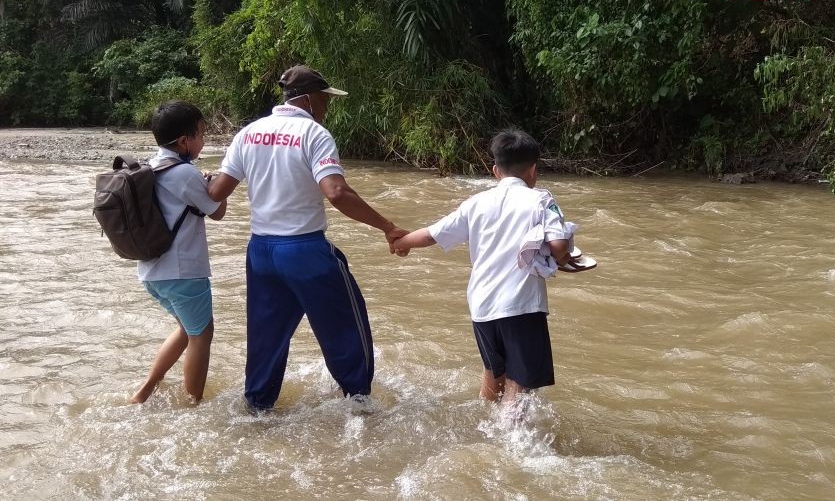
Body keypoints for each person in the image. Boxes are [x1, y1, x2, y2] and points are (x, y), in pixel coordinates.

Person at [207, 64, 408, 411]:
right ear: (311, 99)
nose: (327, 107)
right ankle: (360, 403)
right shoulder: (313, 134)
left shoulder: (248, 133)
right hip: (304, 249)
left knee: (265, 337)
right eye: (325, 100)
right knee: (346, 325)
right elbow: (337, 192)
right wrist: (387, 227)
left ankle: (257, 408)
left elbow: (217, 192)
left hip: (261, 252)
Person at [391, 130, 574, 405]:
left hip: (482, 307)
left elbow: (432, 234)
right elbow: (559, 246)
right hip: (521, 306)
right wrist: (564, 259)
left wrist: (401, 243)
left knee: (493, 372)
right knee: (519, 383)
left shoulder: (475, 203)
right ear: (534, 170)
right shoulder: (542, 200)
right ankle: (507, 442)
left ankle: (483, 422)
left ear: (495, 171)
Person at [131, 101, 228, 404]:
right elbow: (217, 211)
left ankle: (144, 392)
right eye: (201, 134)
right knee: (202, 335)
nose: (204, 140)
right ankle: (193, 404)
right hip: (183, 272)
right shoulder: (185, 173)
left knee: (188, 330)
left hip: (152, 272)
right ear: (184, 141)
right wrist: (216, 183)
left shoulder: (152, 166)